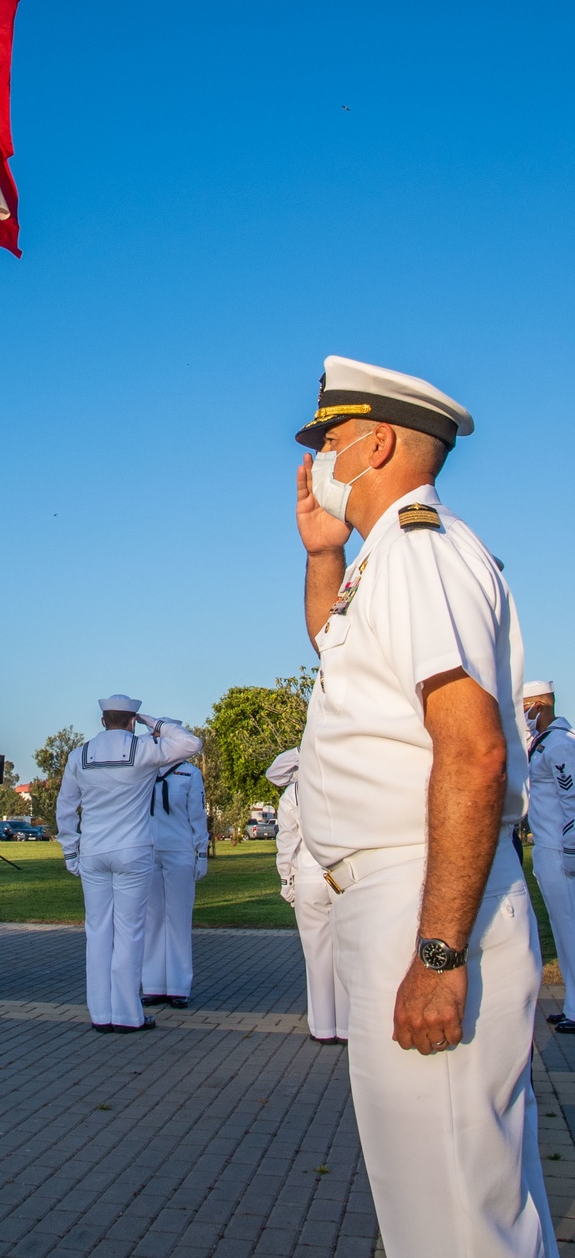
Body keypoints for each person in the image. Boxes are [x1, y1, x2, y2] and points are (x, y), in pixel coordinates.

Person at [293, 355, 556, 1258]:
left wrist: (438, 956)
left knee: (450, 1222)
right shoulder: (386, 560)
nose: (315, 459)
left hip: (425, 899)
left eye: (327, 440)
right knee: (460, 1205)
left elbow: (475, 752)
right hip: (408, 894)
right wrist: (325, 554)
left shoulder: (416, 548)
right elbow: (339, 650)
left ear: (377, 442)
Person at [56, 695, 202, 1033]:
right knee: (130, 932)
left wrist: (70, 849)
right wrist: (157, 723)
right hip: (133, 850)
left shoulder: (79, 755)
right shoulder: (143, 751)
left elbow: (65, 807)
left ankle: (100, 1013)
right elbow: (191, 744)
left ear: (103, 720)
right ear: (132, 721)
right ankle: (126, 1014)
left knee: (97, 933)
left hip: (92, 851)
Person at [268, 749, 348, 1045]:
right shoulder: (346, 784)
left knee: (316, 955)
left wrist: (285, 878)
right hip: (343, 874)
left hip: (309, 875)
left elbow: (287, 840)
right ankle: (348, 1026)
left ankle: (324, 1027)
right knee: (344, 953)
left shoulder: (294, 793)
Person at [524, 679, 575, 1034]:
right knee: (561, 931)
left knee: (571, 930)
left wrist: (571, 851)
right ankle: (572, 1003)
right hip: (546, 848)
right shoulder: (541, 745)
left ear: (540, 705)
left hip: (560, 851)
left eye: (526, 706)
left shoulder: (559, 744)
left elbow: (572, 800)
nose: (523, 713)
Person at [140, 753, 208, 1008]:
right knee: (152, 919)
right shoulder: (143, 771)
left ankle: (179, 986)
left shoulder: (190, 773)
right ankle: (154, 985)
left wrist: (201, 852)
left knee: (178, 920)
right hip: (147, 850)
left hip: (179, 850)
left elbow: (197, 815)